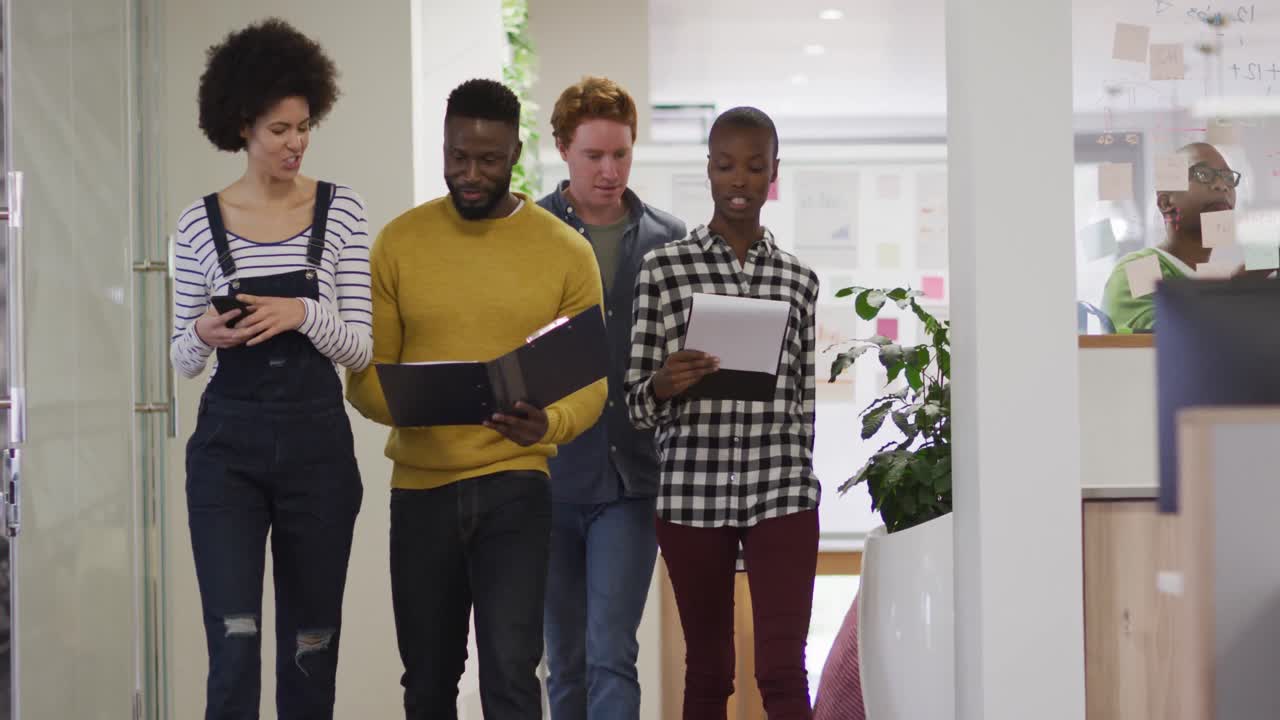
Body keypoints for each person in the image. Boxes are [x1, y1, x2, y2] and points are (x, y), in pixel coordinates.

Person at [346, 78, 607, 720]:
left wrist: (547, 421)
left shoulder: (565, 252)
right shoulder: (398, 243)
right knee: (428, 681)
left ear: (515, 153)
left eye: (488, 160)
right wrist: (414, 401)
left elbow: (591, 384)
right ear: (443, 146)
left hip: (516, 486)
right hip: (421, 492)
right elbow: (366, 378)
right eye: (457, 157)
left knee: (513, 677)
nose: (469, 173)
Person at [171, 18, 370, 719]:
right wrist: (201, 330)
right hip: (227, 452)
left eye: (304, 125)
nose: (295, 143)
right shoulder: (199, 225)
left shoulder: (341, 212)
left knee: (312, 646)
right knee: (233, 643)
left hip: (318, 451)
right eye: (279, 129)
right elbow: (182, 360)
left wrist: (301, 315)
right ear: (241, 123)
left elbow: (361, 348)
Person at [625, 107, 821, 720]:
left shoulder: (798, 280)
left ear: (774, 174)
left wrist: (798, 465)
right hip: (691, 495)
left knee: (783, 670)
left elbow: (801, 402)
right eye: (726, 165)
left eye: (755, 167)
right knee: (708, 671)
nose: (739, 179)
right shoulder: (663, 270)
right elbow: (634, 405)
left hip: (782, 491)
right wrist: (663, 383)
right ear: (708, 171)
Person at [536, 76, 686, 720]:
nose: (609, 170)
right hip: (546, 477)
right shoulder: (531, 232)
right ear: (565, 151)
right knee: (561, 659)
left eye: (620, 154)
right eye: (594, 155)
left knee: (610, 653)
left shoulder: (668, 237)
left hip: (632, 478)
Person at [1102, 142, 1241, 332]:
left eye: (1228, 178)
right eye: (1203, 174)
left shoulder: (1211, 280)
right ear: (1166, 202)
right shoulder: (1141, 267)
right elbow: (1169, 343)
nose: (1222, 186)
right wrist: (1239, 292)